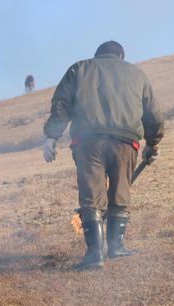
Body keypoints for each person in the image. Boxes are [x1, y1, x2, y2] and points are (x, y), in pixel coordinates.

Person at [42, 41, 165, 270]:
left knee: (91, 196)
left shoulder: (80, 69)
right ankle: (116, 247)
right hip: (126, 142)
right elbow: (153, 114)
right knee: (120, 193)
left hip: (89, 142)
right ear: (121, 55)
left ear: (97, 55)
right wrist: (153, 143)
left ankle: (94, 255)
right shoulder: (137, 74)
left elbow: (61, 104)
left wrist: (51, 137)